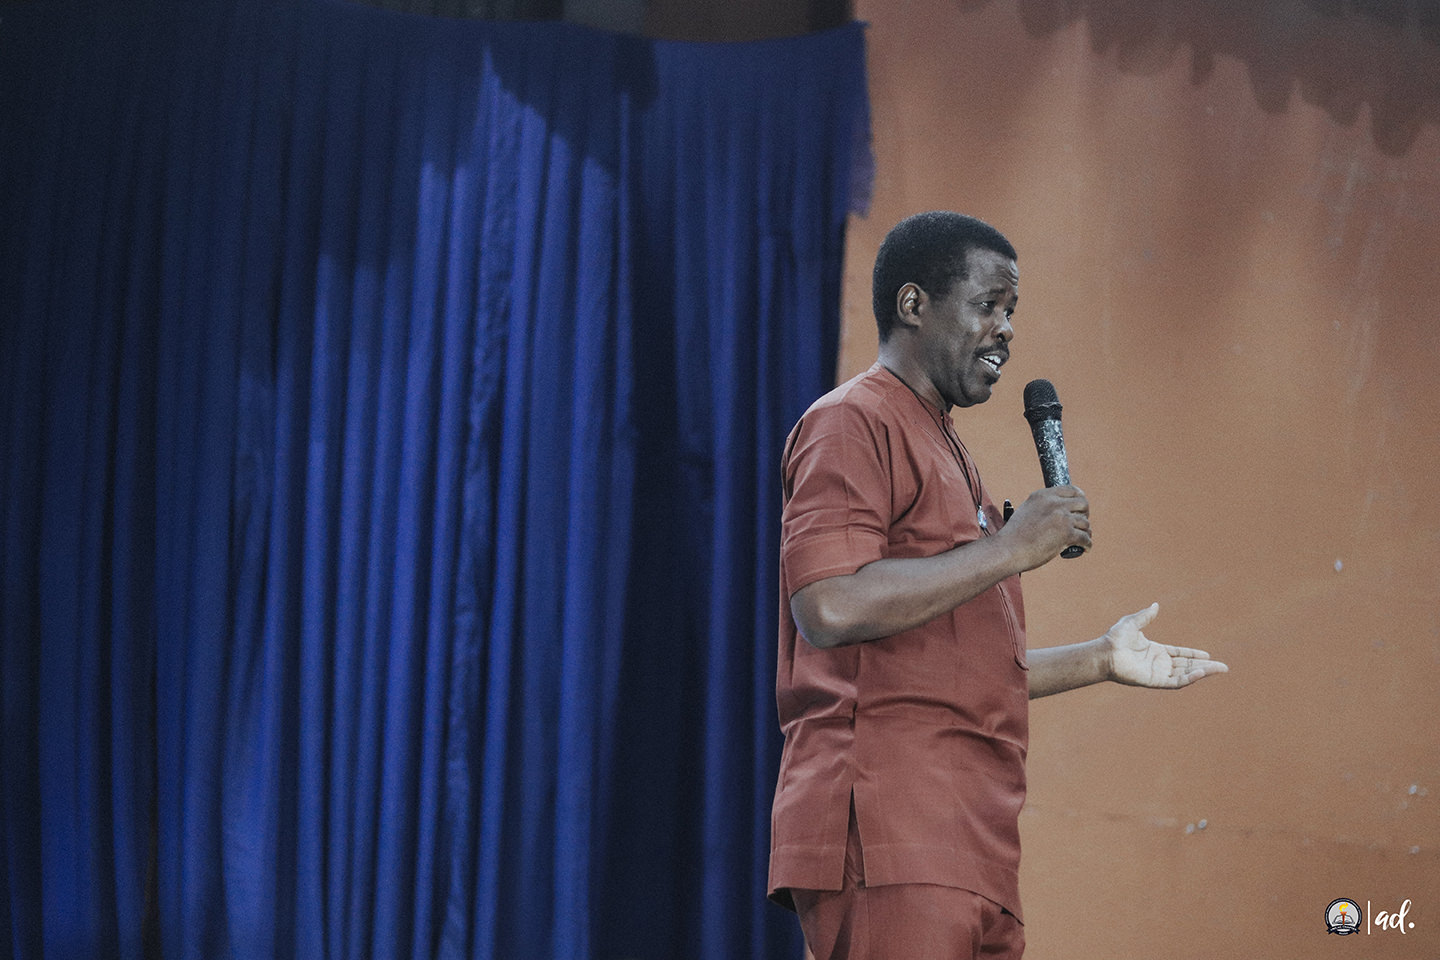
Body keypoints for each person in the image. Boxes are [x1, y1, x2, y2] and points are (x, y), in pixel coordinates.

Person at [767, 211, 1228, 959]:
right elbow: (829, 604)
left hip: (973, 841)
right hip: (891, 827)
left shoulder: (949, 450)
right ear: (914, 304)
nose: (1006, 329)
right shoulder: (852, 420)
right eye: (988, 305)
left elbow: (959, 667)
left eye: (1011, 311)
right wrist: (1010, 548)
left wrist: (1099, 660)